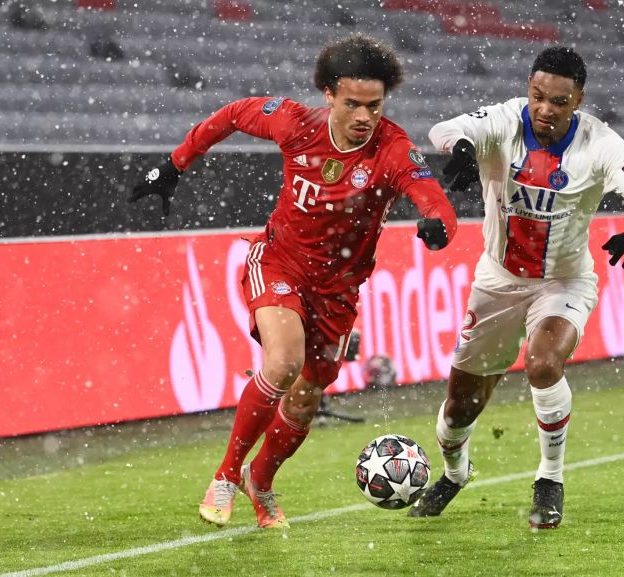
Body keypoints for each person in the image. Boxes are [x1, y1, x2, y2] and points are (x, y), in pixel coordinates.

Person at [129, 33, 457, 529]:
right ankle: (225, 475)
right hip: (279, 261)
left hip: (338, 290)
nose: (364, 116)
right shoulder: (295, 122)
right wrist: (175, 164)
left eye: (374, 104)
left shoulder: (391, 149)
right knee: (283, 362)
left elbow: (432, 197)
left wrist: (438, 226)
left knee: (305, 398)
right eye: (353, 104)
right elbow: (236, 113)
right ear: (328, 94)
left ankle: (260, 481)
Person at [408, 46, 624, 528]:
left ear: (579, 100)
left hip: (564, 280)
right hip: (498, 281)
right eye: (538, 96)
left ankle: (550, 479)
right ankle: (455, 472)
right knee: (459, 409)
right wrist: (463, 148)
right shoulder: (505, 120)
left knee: (543, 363)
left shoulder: (601, 143)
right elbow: (444, 130)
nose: (546, 109)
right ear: (529, 89)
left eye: (560, 101)